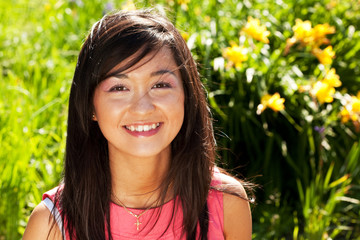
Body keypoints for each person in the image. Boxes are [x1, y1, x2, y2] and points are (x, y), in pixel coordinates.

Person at [23, 9, 252, 240]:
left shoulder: (226, 203)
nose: (143, 108)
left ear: (187, 94)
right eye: (119, 88)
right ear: (90, 105)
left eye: (160, 85)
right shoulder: (51, 225)